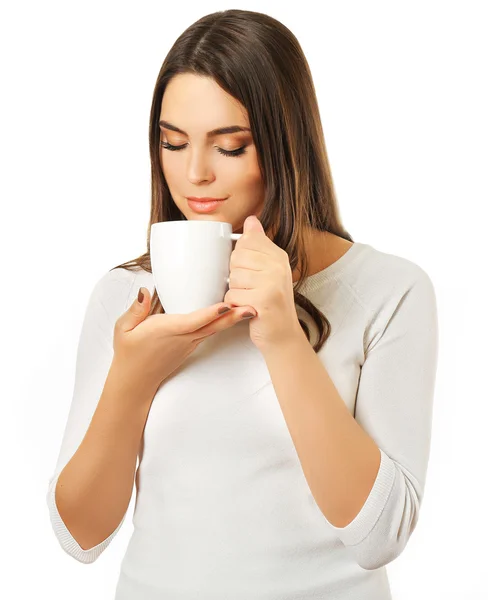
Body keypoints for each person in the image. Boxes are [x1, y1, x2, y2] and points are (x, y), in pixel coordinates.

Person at [46, 9, 439, 600]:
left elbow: (379, 535)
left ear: (287, 142)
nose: (194, 173)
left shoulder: (388, 291)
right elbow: (79, 538)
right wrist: (132, 375)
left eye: (229, 146)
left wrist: (283, 338)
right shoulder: (126, 298)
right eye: (173, 143)